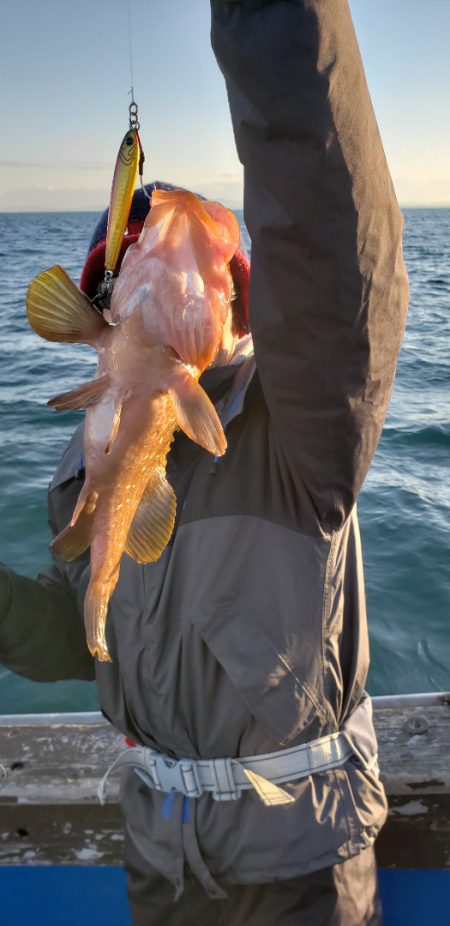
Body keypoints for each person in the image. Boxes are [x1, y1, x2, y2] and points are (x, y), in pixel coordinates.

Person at [0, 1, 408, 923]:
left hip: (299, 868)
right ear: (98, 311)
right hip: (159, 860)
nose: (171, 268)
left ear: (245, 306)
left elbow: (329, 236)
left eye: (211, 266)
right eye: (139, 255)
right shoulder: (86, 457)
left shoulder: (305, 421)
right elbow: (89, 634)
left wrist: (271, 16)